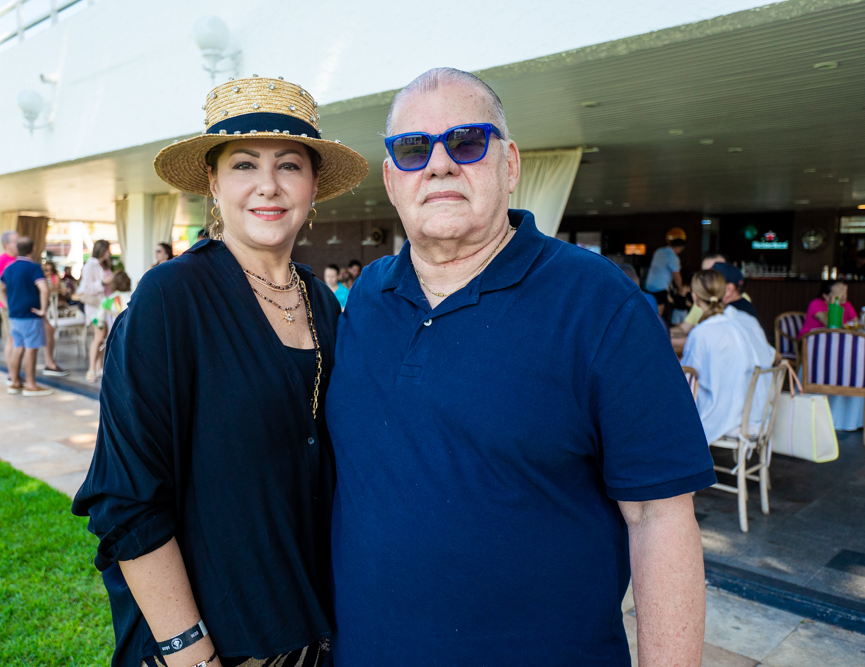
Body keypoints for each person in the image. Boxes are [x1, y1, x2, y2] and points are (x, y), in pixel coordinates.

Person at [326, 67, 714, 666]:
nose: (439, 164)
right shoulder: (367, 298)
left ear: (509, 165)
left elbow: (659, 518)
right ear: (391, 179)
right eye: (413, 148)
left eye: (466, 142)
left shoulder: (600, 304)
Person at [72, 77, 368, 667]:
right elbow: (126, 498)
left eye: (289, 165)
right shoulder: (170, 300)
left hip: (316, 630)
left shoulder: (322, 302)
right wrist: (190, 652)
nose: (268, 185)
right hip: (218, 645)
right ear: (213, 182)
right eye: (244, 165)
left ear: (313, 185)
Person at [680, 270, 777, 444]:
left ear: (694, 297)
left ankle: (679, 456)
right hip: (760, 415)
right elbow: (772, 355)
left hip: (726, 419)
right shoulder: (746, 320)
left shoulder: (702, 332)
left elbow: (688, 378)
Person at [0, 236, 54, 397]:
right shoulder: (34, 268)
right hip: (31, 315)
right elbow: (44, 289)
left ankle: (15, 383)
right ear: (33, 249)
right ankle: (31, 386)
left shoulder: (10, 268)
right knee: (31, 349)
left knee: (18, 347)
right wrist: (43, 310)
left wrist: (7, 305)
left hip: (15, 316)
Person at [86, 271, 133, 383]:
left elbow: (99, 319)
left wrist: (101, 328)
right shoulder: (134, 297)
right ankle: (99, 368)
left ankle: (92, 370)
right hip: (131, 335)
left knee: (98, 338)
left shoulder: (108, 300)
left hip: (115, 335)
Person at [0, 231, 19, 369]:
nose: (19, 244)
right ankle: (12, 373)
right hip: (9, 306)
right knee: (12, 339)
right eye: (16, 241)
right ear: (6, 244)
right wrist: (8, 306)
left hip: (23, 306)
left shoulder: (21, 260)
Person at [645, 237, 687, 319]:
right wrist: (680, 290)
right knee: (659, 314)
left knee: (650, 309)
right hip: (660, 287)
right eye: (681, 250)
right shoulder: (673, 257)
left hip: (649, 285)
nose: (680, 252)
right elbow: (677, 277)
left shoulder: (659, 251)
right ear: (678, 248)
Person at [76, 240, 113, 326]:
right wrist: (102, 282)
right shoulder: (89, 266)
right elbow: (87, 289)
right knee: (99, 332)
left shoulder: (105, 265)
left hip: (108, 305)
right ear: (102, 250)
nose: (110, 253)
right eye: (108, 250)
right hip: (97, 307)